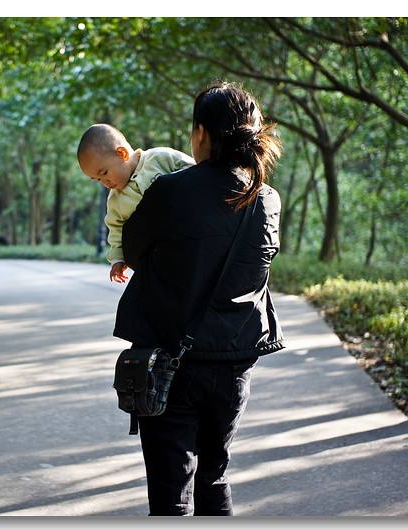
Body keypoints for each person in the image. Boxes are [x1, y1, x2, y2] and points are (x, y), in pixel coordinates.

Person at [113, 81, 285, 516]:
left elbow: (132, 250)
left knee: (171, 493)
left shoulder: (171, 190)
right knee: (214, 476)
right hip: (234, 367)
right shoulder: (266, 200)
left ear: (202, 134)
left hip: (171, 362)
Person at [76, 124, 195, 282]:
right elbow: (116, 230)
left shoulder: (160, 158)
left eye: (104, 173)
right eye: (98, 179)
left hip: (192, 236)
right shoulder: (115, 200)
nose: (104, 182)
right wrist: (118, 259)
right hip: (159, 257)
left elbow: (195, 171)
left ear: (122, 153)